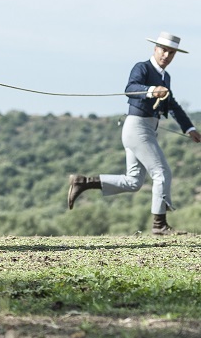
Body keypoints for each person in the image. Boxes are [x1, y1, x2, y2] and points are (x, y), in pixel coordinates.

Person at [68, 32, 201, 235]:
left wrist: (190, 129)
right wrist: (151, 90)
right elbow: (130, 88)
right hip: (138, 128)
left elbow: (172, 104)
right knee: (162, 172)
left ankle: (83, 182)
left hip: (146, 130)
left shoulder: (166, 77)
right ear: (155, 49)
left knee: (133, 182)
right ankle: (159, 225)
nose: (166, 55)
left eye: (171, 53)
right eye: (164, 50)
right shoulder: (142, 67)